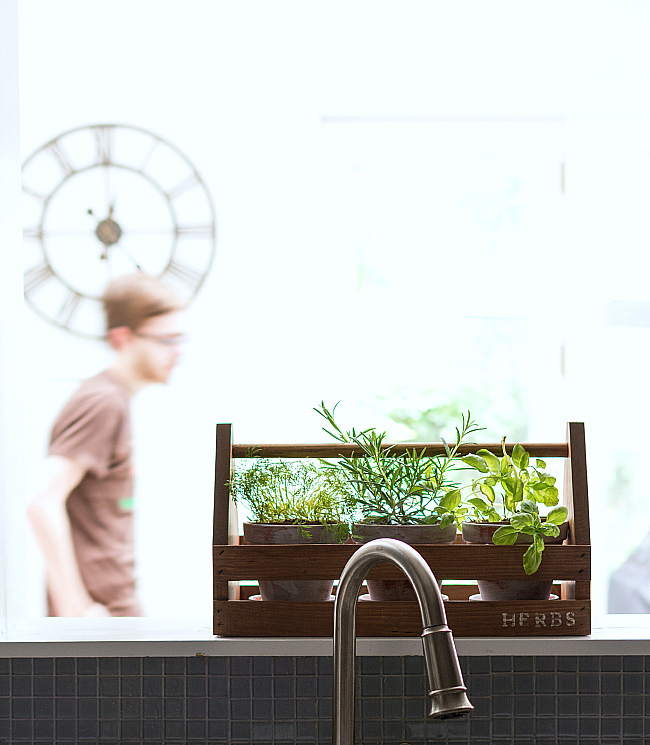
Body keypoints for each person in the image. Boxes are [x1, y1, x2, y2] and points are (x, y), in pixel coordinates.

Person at [27, 273, 185, 617]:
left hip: (112, 616)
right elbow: (41, 501)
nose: (178, 352)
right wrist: (77, 609)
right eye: (166, 340)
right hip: (103, 620)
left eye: (180, 339)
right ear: (121, 338)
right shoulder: (103, 402)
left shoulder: (112, 398)